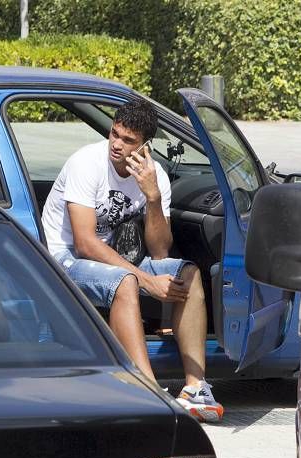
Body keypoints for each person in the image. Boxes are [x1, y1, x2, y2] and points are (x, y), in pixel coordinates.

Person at [41, 99, 223, 422]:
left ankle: (196, 387)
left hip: (109, 261)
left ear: (145, 145)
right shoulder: (87, 163)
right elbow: (84, 243)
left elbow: (160, 251)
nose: (117, 145)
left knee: (188, 273)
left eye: (128, 141)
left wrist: (152, 197)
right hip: (61, 261)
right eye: (115, 134)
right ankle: (148, 391)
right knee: (125, 282)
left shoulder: (157, 179)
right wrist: (147, 280)